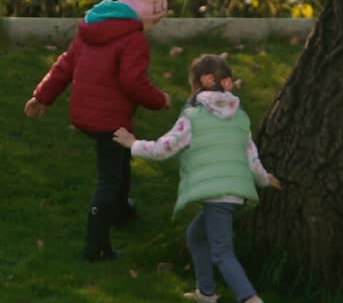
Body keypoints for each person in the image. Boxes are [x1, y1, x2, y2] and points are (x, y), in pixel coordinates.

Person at [24, 0, 171, 261]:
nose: (154, 25)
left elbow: (64, 65)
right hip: (110, 120)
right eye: (155, 19)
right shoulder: (134, 39)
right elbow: (133, 82)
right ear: (144, 11)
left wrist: (42, 95)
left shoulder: (93, 29)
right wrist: (160, 100)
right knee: (108, 178)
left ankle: (122, 210)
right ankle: (97, 245)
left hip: (85, 114)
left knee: (121, 159)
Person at [113, 54, 283, 303]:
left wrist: (133, 144)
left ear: (200, 83)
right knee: (196, 235)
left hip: (217, 196)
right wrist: (265, 179)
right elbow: (251, 158)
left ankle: (249, 298)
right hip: (234, 194)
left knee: (222, 252)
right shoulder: (240, 119)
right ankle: (206, 292)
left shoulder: (192, 118)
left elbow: (164, 148)